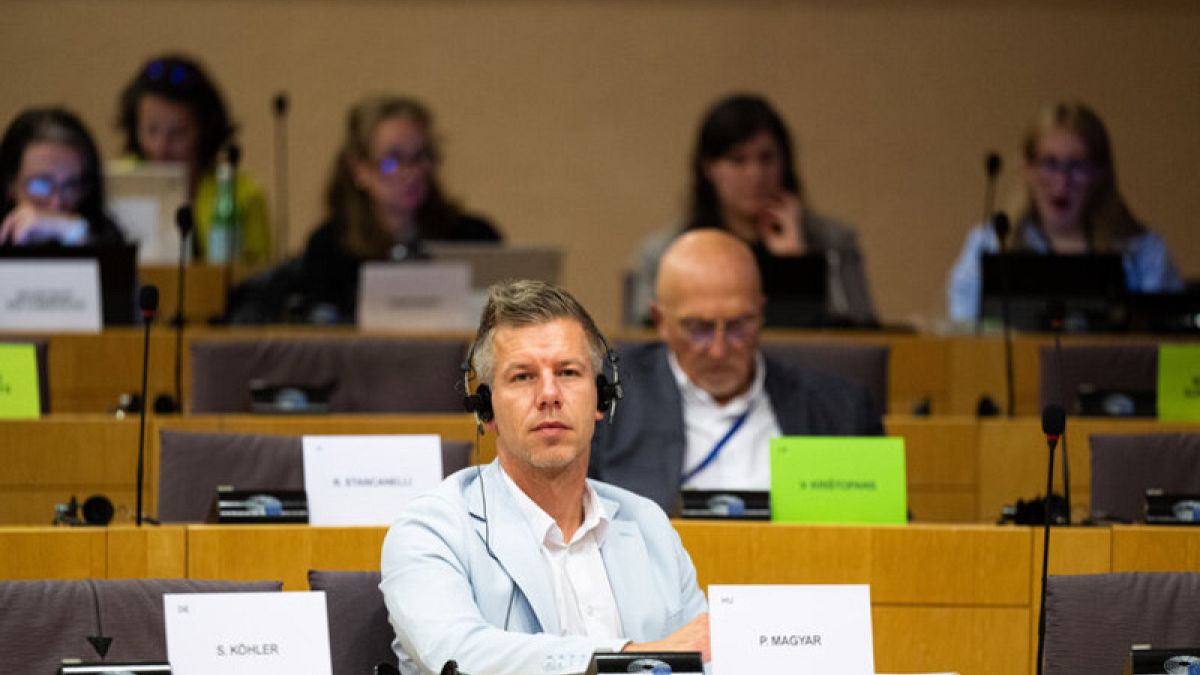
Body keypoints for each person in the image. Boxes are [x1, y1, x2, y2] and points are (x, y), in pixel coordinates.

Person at [380, 280, 708, 675]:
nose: (549, 394)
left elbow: (705, 655)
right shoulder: (432, 529)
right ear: (486, 409)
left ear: (601, 398)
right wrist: (631, 656)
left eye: (568, 372)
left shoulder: (649, 524)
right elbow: (457, 653)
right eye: (523, 377)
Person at [593, 229, 882, 513]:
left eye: (738, 326)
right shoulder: (606, 398)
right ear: (660, 321)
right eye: (698, 328)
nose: (718, 350)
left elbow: (882, 530)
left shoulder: (841, 409)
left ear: (761, 313)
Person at [628, 93, 877, 327]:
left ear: (785, 162)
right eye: (738, 160)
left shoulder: (833, 243)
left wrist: (795, 265)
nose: (755, 175)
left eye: (767, 158)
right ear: (708, 168)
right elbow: (643, 341)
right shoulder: (667, 251)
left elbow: (860, 338)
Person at [947, 101, 1183, 323]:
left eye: (1077, 166)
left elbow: (1174, 340)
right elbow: (962, 328)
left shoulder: (1143, 250)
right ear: (1029, 169)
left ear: (1100, 173)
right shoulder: (991, 243)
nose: (1062, 182)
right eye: (1050, 164)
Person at [295, 95, 501, 321]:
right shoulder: (330, 249)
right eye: (392, 161)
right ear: (359, 168)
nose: (412, 172)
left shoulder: (473, 237)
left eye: (421, 156)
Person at [117, 53, 270, 263]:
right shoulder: (116, 185)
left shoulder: (242, 193)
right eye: (151, 130)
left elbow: (259, 271)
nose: (162, 147)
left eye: (178, 133)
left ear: (205, 130)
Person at [0, 107, 124, 246]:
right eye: (41, 185)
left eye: (71, 186)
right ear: (9, 184)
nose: (56, 203)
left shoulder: (101, 233)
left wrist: (74, 232)